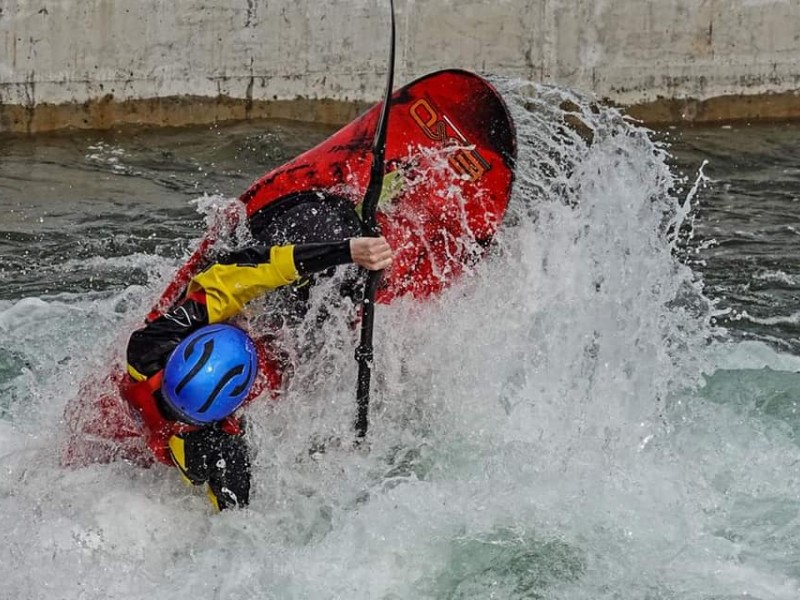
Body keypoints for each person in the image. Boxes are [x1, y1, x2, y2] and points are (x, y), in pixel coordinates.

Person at [122, 236, 393, 511]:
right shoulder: (219, 448)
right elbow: (237, 516)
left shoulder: (149, 348)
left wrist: (346, 251)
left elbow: (242, 269)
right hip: (189, 439)